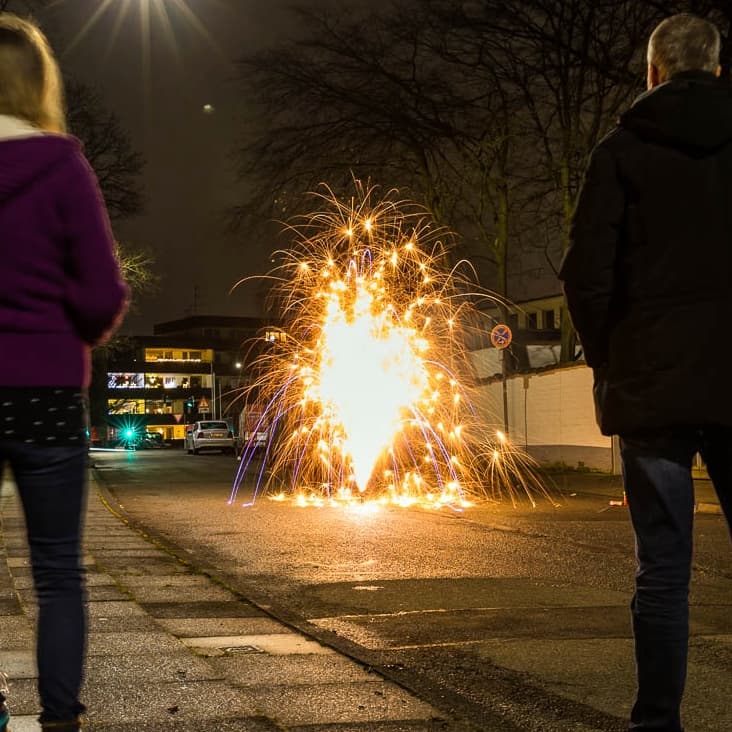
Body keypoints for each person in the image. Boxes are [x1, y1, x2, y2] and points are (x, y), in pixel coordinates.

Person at [559, 13, 732, 732]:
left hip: (652, 387)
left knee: (663, 568)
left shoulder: (621, 152)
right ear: (718, 70)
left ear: (653, 73)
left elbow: (585, 277)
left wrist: (611, 360)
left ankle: (657, 722)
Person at [0, 13, 129, 732]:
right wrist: (67, 328)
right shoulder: (62, 167)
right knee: (56, 573)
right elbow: (102, 293)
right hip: (47, 392)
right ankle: (59, 722)